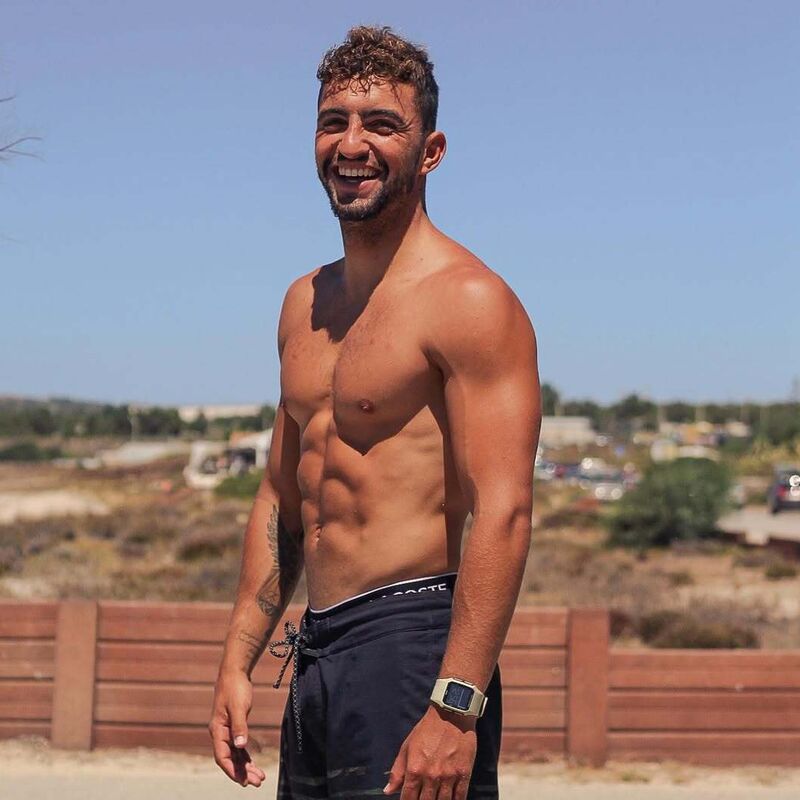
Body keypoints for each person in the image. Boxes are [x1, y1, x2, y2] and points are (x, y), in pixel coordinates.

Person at [209, 25, 541, 800]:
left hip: (414, 642)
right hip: (318, 647)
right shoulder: (304, 303)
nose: (351, 144)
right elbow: (282, 495)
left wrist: (455, 707)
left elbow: (504, 511)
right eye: (334, 122)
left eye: (382, 125)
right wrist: (237, 658)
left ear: (430, 152)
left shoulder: (469, 300)